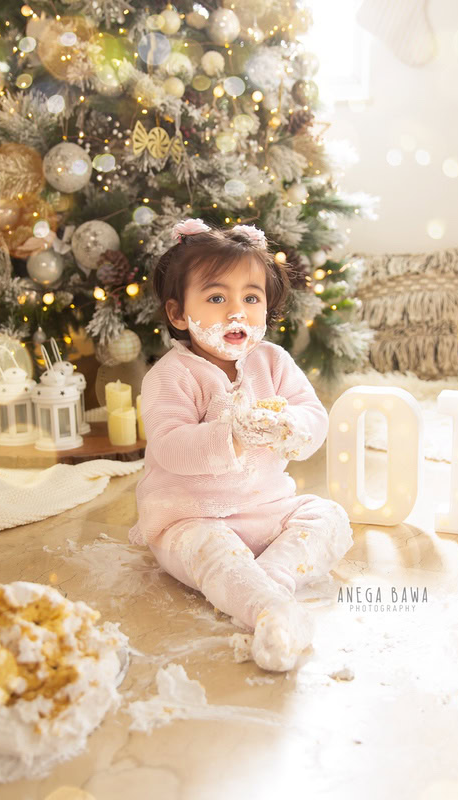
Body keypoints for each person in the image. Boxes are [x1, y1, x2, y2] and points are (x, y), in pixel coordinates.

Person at [128, 218, 354, 671]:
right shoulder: (171, 377)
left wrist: (289, 424)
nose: (237, 312)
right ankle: (266, 608)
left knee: (328, 516)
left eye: (251, 298)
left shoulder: (273, 361)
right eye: (216, 298)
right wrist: (231, 433)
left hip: (267, 510)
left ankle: (272, 577)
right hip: (190, 518)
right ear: (178, 314)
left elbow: (313, 416)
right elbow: (170, 445)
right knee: (212, 550)